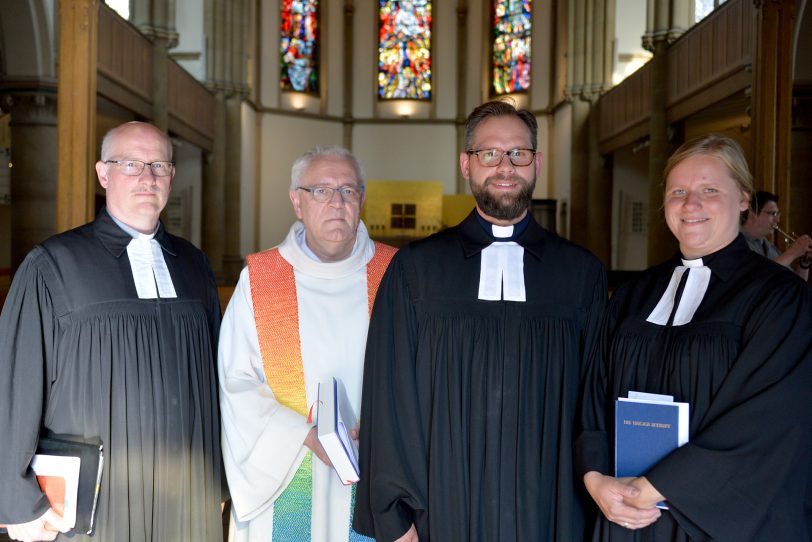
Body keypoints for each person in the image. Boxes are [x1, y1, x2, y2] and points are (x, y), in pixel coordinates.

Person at [353, 100, 607, 542]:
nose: (505, 166)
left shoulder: (580, 273)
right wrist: (396, 517)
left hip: (550, 508)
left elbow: (595, 397)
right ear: (466, 165)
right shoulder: (417, 270)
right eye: (489, 154)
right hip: (445, 507)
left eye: (518, 154)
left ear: (537, 163)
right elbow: (390, 397)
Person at [576, 134, 812, 541]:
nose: (691, 204)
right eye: (678, 191)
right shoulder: (634, 295)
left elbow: (768, 420)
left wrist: (651, 489)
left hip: (718, 522)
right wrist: (596, 478)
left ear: (742, 199)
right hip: (627, 517)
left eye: (709, 190)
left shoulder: (779, 297)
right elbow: (594, 392)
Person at [0, 122, 224, 541]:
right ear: (104, 174)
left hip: (186, 494)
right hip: (96, 498)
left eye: (159, 164)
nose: (147, 176)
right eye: (131, 164)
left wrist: (220, 478)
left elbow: (215, 382)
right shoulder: (54, 264)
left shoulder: (195, 266)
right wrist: (15, 498)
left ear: (171, 176)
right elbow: (14, 382)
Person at [218, 146, 397, 541]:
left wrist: (385, 434)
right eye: (321, 191)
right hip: (285, 476)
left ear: (362, 200)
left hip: (374, 470)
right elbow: (235, 382)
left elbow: (422, 377)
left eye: (348, 191)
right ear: (296, 201)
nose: (337, 202)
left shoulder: (394, 274)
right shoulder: (261, 280)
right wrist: (302, 434)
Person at [740, 190, 811, 281]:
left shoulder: (771, 248)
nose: (777, 220)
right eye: (772, 213)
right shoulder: (737, 244)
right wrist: (793, 252)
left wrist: (804, 263)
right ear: (752, 214)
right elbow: (758, 279)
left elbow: (796, 285)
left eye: (778, 214)